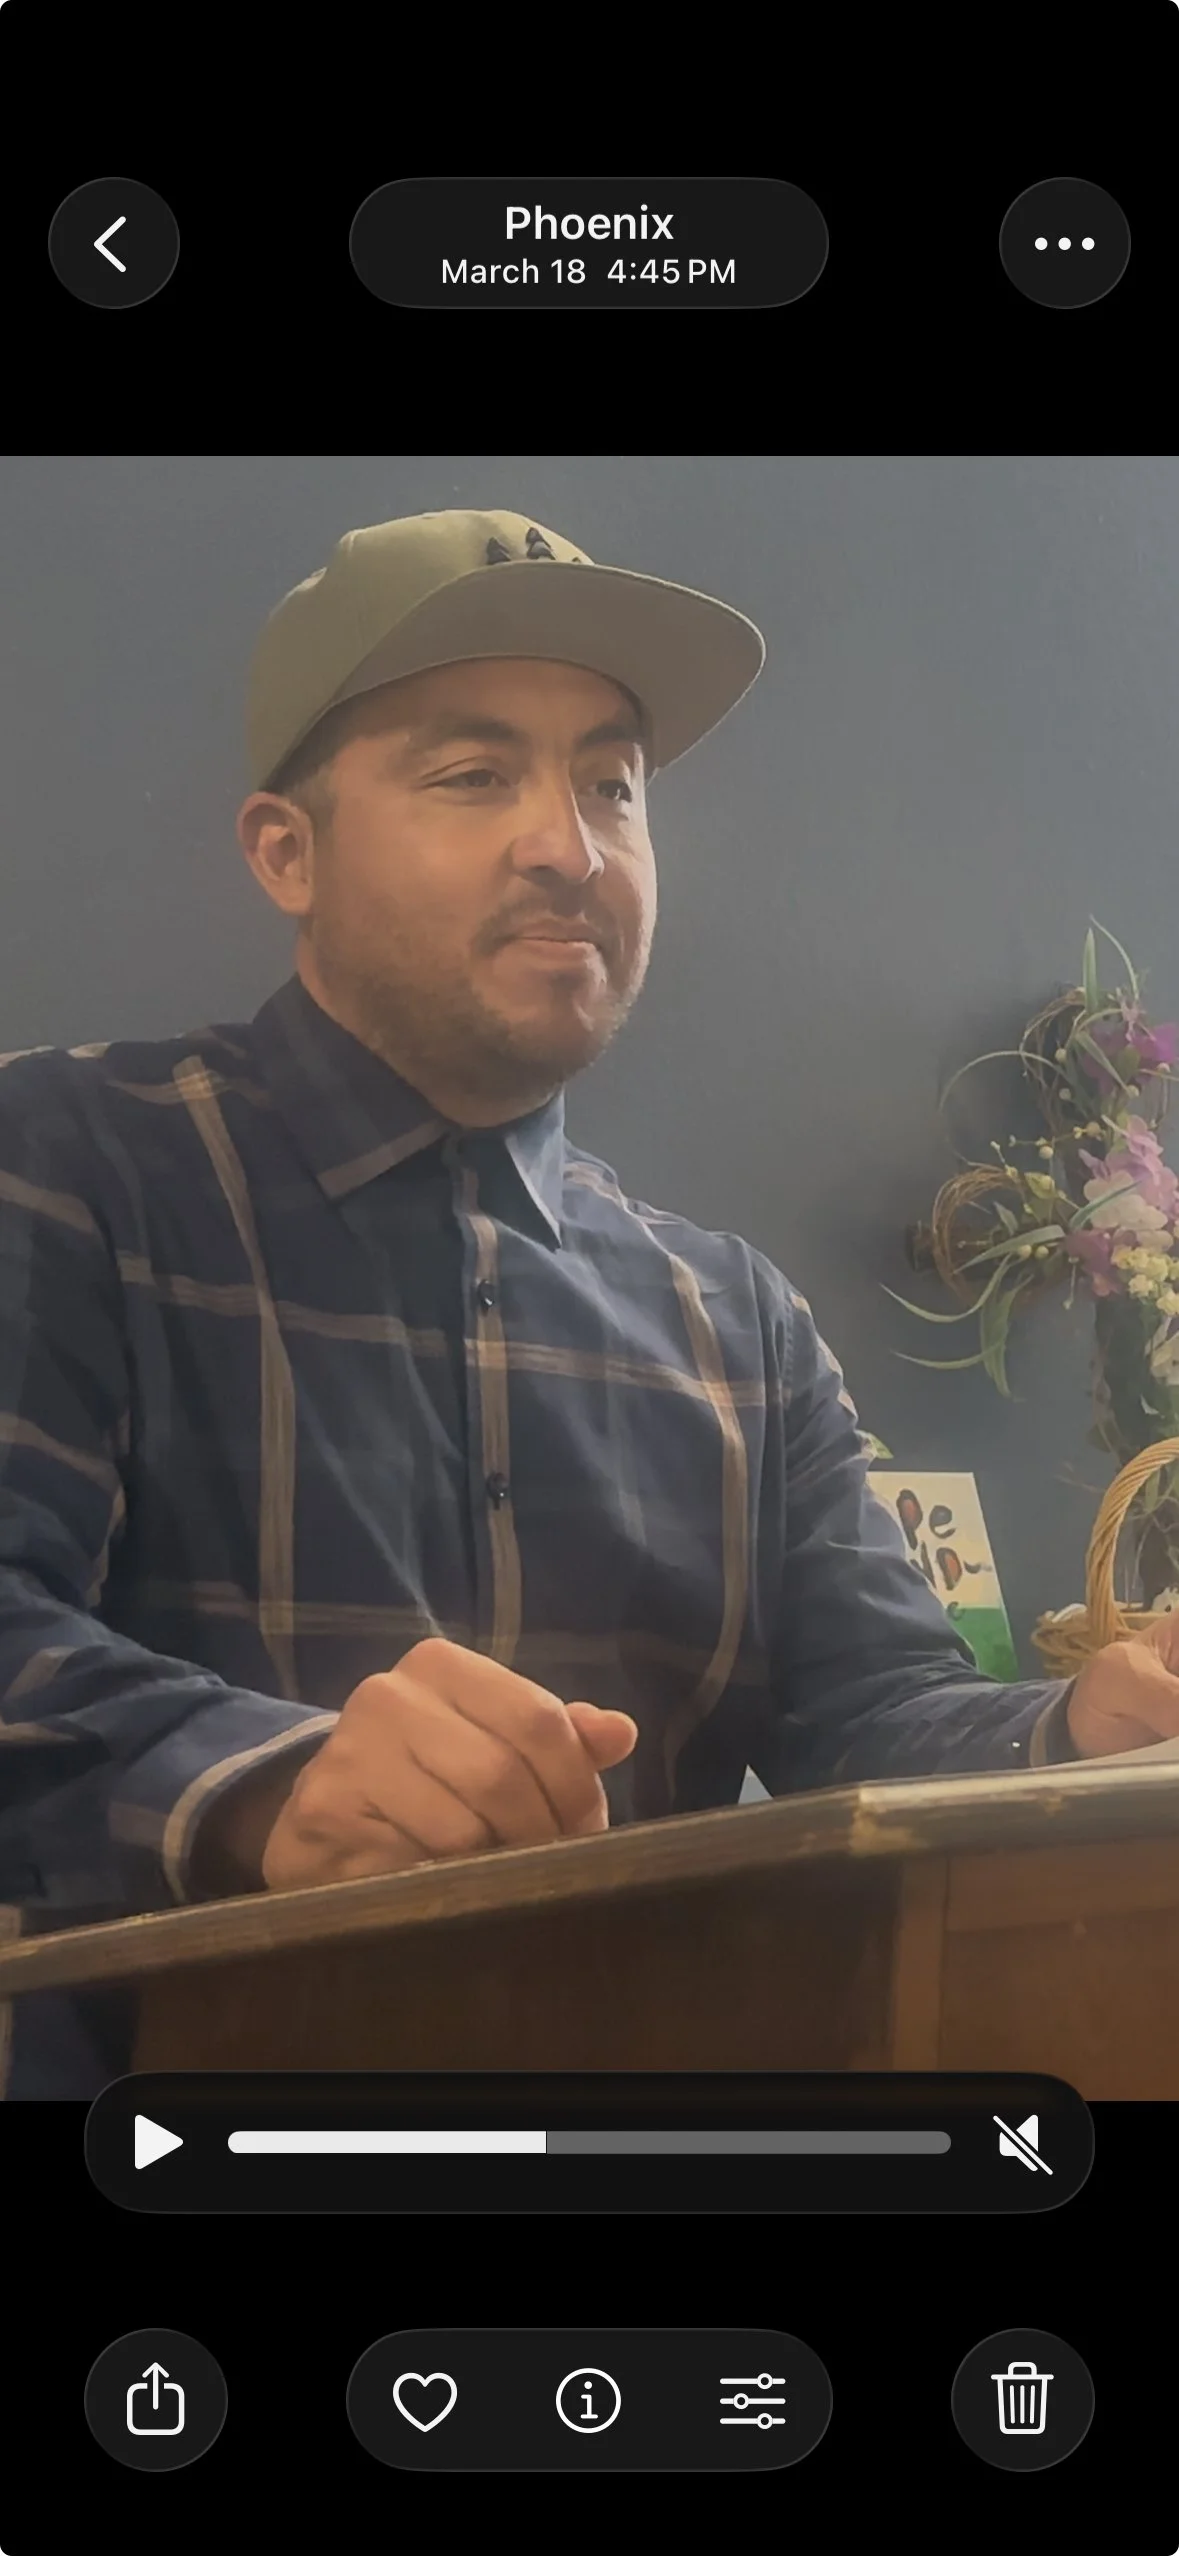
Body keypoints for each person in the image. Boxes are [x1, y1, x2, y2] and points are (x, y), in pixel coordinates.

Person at [4, 504, 1179, 2100]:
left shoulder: (734, 1317)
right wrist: (260, 1780)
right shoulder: (63, 1165)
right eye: (472, 773)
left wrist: (1081, 1735)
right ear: (287, 849)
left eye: (609, 783)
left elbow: (876, 1714)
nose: (566, 844)